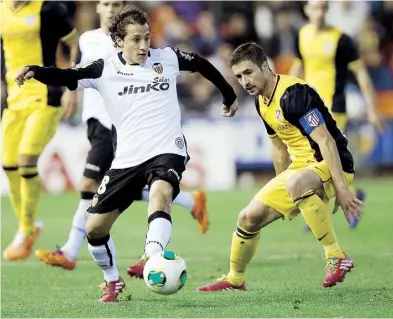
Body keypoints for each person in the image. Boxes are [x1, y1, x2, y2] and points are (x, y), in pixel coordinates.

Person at [15, 7, 238, 302]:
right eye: (136, 39)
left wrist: (228, 95)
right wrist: (36, 71)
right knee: (94, 228)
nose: (144, 46)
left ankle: (153, 255)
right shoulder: (104, 68)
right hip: (127, 159)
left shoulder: (166, 58)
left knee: (160, 193)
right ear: (119, 42)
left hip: (167, 149)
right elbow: (67, 74)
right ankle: (112, 281)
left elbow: (200, 64)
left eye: (147, 37)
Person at [35, 0, 209, 273]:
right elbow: (76, 70)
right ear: (98, 9)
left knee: (88, 183)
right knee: (118, 190)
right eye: (107, 3)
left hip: (115, 127)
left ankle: (71, 248)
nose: (112, 8)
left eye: (117, 4)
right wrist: (69, 89)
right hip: (93, 120)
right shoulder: (88, 39)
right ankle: (188, 200)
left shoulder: (139, 45)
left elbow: (186, 63)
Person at [197, 42, 364, 292]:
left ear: (265, 67)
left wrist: (341, 188)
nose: (244, 81)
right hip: (299, 169)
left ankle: (336, 256)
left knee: (296, 183)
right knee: (247, 218)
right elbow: (278, 148)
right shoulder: (261, 102)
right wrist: (284, 191)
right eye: (239, 76)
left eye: (249, 72)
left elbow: (326, 141)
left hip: (331, 162)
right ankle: (235, 278)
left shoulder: (295, 94)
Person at [288, 0, 384, 229]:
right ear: (306, 10)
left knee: (323, 157)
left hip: (334, 107)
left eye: (322, 8)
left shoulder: (341, 39)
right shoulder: (302, 35)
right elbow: (297, 67)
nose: (319, 12)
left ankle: (322, 206)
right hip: (309, 106)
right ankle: (350, 193)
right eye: (314, 7)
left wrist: (372, 107)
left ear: (327, 11)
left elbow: (361, 73)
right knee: (317, 159)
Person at [1, 0, 79, 261]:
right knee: (9, 165)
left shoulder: (48, 9)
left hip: (46, 95)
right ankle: (30, 226)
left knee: (26, 159)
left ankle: (24, 231)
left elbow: (73, 42)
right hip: (14, 99)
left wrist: (71, 84)